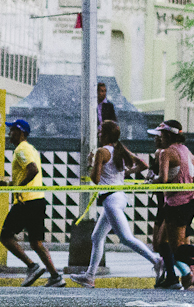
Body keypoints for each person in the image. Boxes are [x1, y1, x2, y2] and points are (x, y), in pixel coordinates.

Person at [69, 120, 161, 288]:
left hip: (111, 200)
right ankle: (90, 276)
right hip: (118, 197)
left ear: (105, 135)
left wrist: (91, 164)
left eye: (100, 132)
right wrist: (126, 173)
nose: (98, 134)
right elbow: (143, 164)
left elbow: (95, 179)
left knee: (126, 238)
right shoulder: (120, 149)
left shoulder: (102, 152)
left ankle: (156, 260)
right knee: (97, 237)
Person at [148, 120, 194, 290]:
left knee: (177, 248)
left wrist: (151, 180)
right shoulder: (185, 150)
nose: (158, 138)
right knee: (161, 242)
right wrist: (188, 182)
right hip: (189, 201)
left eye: (161, 135)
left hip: (177, 203)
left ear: (167, 135)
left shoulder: (166, 153)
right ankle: (177, 276)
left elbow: (164, 178)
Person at [0, 119, 63, 287]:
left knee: (5, 236)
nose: (9, 134)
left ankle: (32, 266)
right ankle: (55, 276)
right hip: (38, 199)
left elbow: (33, 170)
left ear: (21, 132)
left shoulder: (21, 149)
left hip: (26, 201)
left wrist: (18, 189)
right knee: (36, 242)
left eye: (12, 131)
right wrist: (8, 185)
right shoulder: (30, 148)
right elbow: (26, 176)